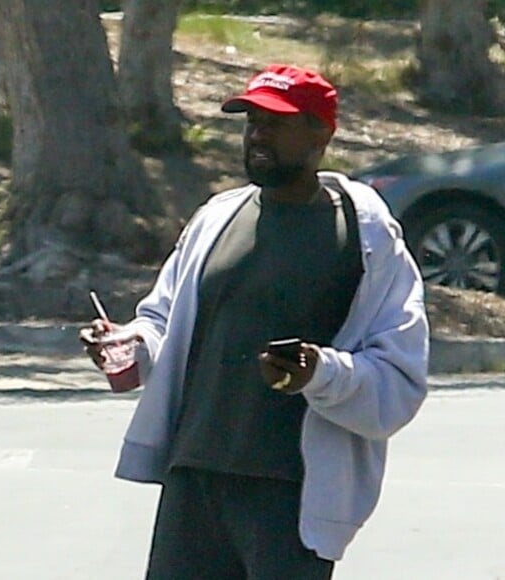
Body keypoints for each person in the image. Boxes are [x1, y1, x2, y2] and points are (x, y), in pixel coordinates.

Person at [80, 63, 429, 579]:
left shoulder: (365, 238)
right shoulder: (218, 217)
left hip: (289, 492)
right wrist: (128, 344)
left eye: (276, 123)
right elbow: (162, 320)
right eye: (251, 122)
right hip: (194, 476)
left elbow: (400, 379)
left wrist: (319, 372)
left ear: (321, 134)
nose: (258, 135)